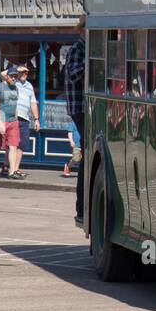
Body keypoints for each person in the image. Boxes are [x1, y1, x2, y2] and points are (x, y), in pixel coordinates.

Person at [64, 21, 87, 220]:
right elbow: (73, 74)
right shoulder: (78, 49)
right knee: (86, 156)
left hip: (82, 108)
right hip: (80, 108)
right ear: (81, 30)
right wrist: (93, 62)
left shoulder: (84, 48)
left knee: (87, 156)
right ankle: (81, 207)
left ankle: (82, 207)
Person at [0, 68, 20, 178]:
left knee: (13, 146)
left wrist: (16, 119)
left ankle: (12, 172)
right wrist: (0, 123)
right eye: (11, 76)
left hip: (13, 121)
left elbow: (15, 105)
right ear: (7, 76)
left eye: (15, 76)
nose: (14, 78)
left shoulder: (15, 88)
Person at [11, 63, 40, 179]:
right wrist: (17, 70)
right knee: (12, 144)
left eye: (26, 72)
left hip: (25, 118)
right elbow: (3, 75)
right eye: (22, 72)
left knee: (22, 145)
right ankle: (9, 168)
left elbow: (33, 103)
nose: (24, 74)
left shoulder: (29, 86)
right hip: (13, 117)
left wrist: (36, 119)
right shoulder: (13, 83)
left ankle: (16, 169)